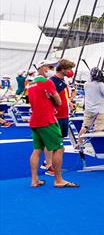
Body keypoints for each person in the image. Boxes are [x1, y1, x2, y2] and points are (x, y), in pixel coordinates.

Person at [28, 60, 78, 189]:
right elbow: (58, 100)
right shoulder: (47, 82)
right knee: (59, 148)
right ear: (43, 68)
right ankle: (58, 179)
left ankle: (34, 180)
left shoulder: (31, 83)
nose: (52, 69)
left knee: (37, 150)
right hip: (47, 120)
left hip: (35, 120)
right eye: (50, 67)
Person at [42, 59, 76, 175]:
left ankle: (49, 162)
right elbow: (47, 97)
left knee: (59, 141)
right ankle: (49, 165)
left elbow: (63, 96)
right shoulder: (52, 81)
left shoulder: (63, 81)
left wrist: (69, 103)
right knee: (51, 141)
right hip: (56, 116)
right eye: (69, 69)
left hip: (64, 115)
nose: (71, 71)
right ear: (62, 69)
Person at [78, 68, 104, 141]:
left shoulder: (86, 84)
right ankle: (97, 145)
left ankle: (79, 143)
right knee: (98, 129)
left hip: (88, 109)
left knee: (84, 127)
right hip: (100, 111)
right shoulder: (100, 84)